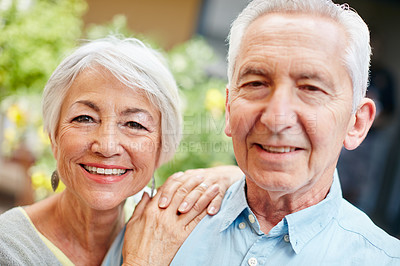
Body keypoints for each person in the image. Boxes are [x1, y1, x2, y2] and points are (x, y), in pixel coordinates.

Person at [108, 0, 400, 265]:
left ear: (357, 123)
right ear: (229, 109)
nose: (276, 118)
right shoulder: (157, 227)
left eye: (311, 88)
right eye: (256, 84)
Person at [0, 36, 243, 265]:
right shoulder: (9, 247)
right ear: (53, 135)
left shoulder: (163, 225)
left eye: (134, 124)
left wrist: (228, 176)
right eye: (85, 118)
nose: (106, 146)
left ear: (161, 147)